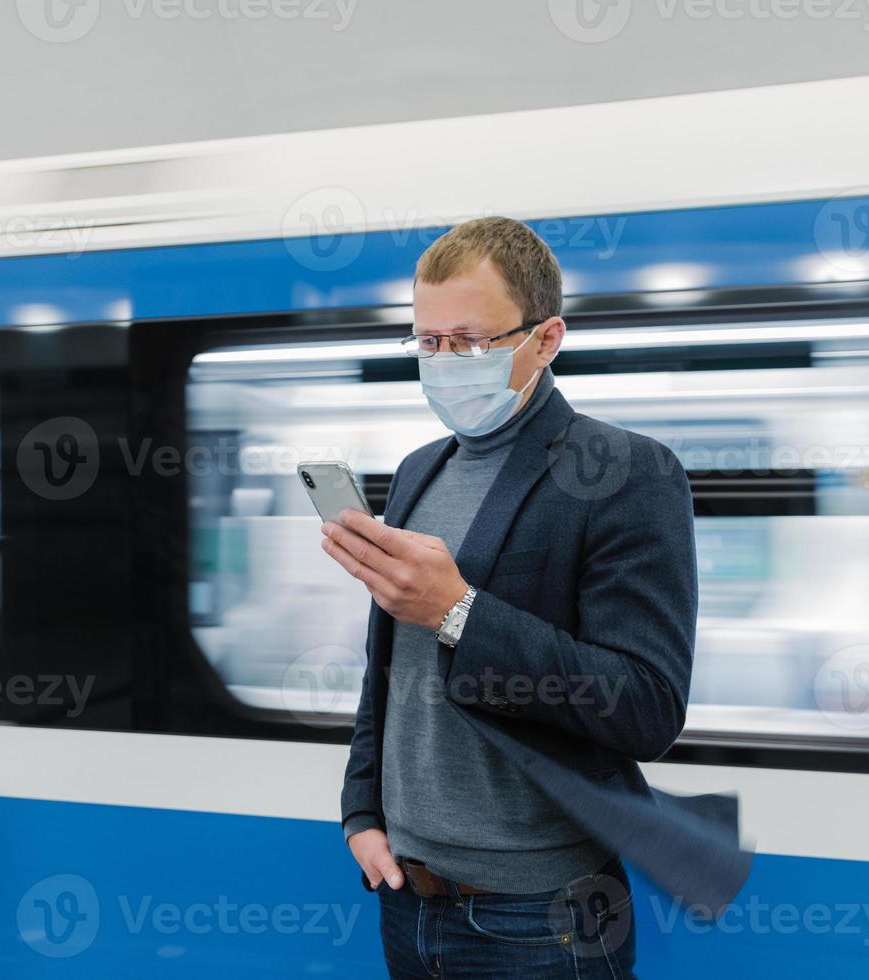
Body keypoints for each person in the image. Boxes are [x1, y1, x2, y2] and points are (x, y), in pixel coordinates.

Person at [321, 217, 749, 979]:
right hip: (408, 896)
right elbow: (385, 669)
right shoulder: (420, 470)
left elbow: (647, 705)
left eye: (474, 342)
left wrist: (458, 611)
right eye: (429, 342)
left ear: (546, 339)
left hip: (542, 915)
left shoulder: (627, 472)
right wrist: (362, 812)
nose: (447, 362)